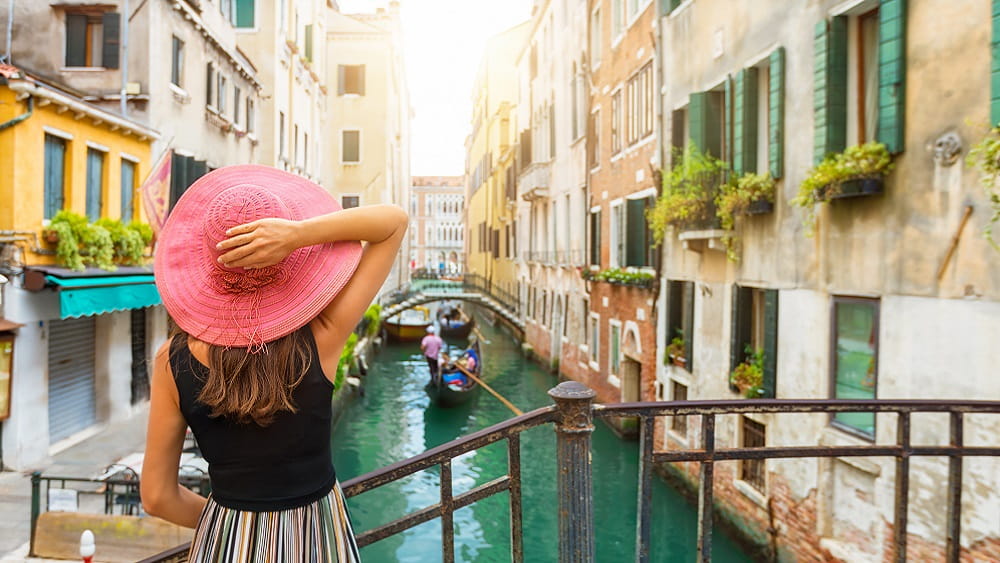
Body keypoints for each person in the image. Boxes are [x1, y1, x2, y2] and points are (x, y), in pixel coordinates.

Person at [141, 165, 407, 562]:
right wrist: (298, 235)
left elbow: (157, 497)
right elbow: (393, 223)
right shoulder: (324, 336)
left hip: (225, 542)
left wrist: (228, 523)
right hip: (316, 537)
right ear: (285, 262)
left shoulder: (170, 362)